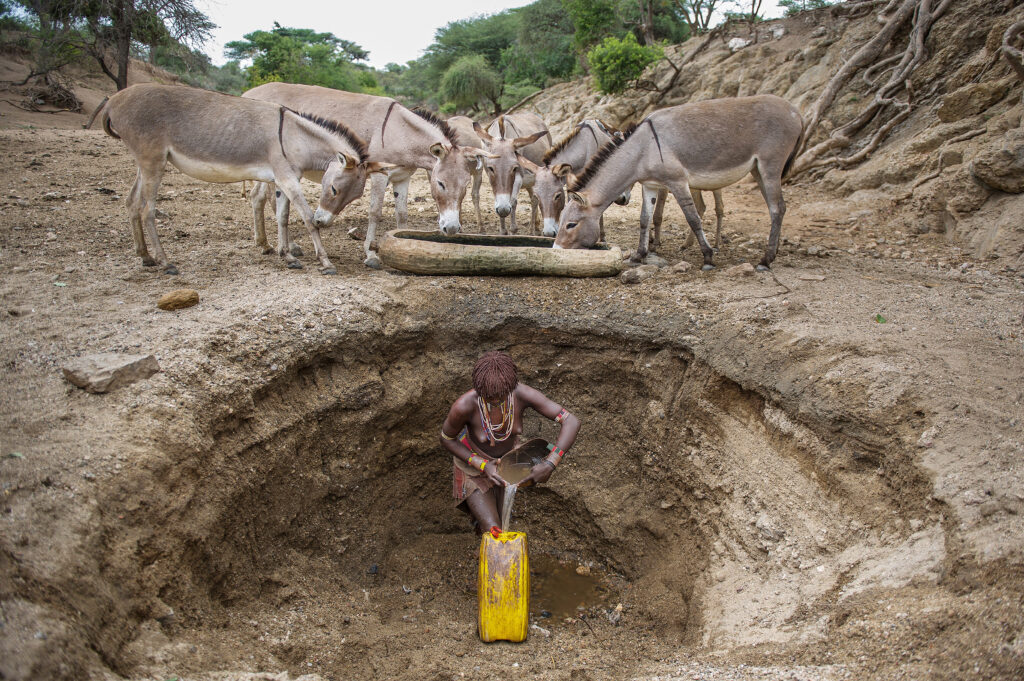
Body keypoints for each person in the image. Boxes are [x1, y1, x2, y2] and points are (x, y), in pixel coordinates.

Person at [440, 351, 580, 535]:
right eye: (490, 398)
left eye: (501, 396)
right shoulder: (464, 406)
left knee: (499, 524)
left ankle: (485, 547)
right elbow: (446, 438)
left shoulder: (521, 394)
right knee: (494, 530)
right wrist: (482, 465)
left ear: (510, 386)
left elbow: (571, 421)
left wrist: (550, 463)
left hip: (507, 465)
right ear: (480, 389)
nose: (496, 402)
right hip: (473, 468)